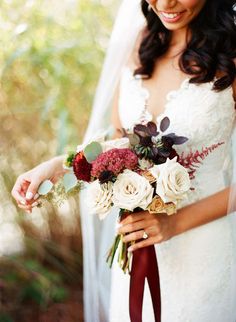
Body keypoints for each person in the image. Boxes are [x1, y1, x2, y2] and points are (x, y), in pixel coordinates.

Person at [12, 0, 236, 321]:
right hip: (137, 251)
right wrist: (61, 164)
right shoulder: (140, 44)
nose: (166, 4)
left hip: (205, 253)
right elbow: (121, 142)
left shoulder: (232, 55)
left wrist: (174, 223)